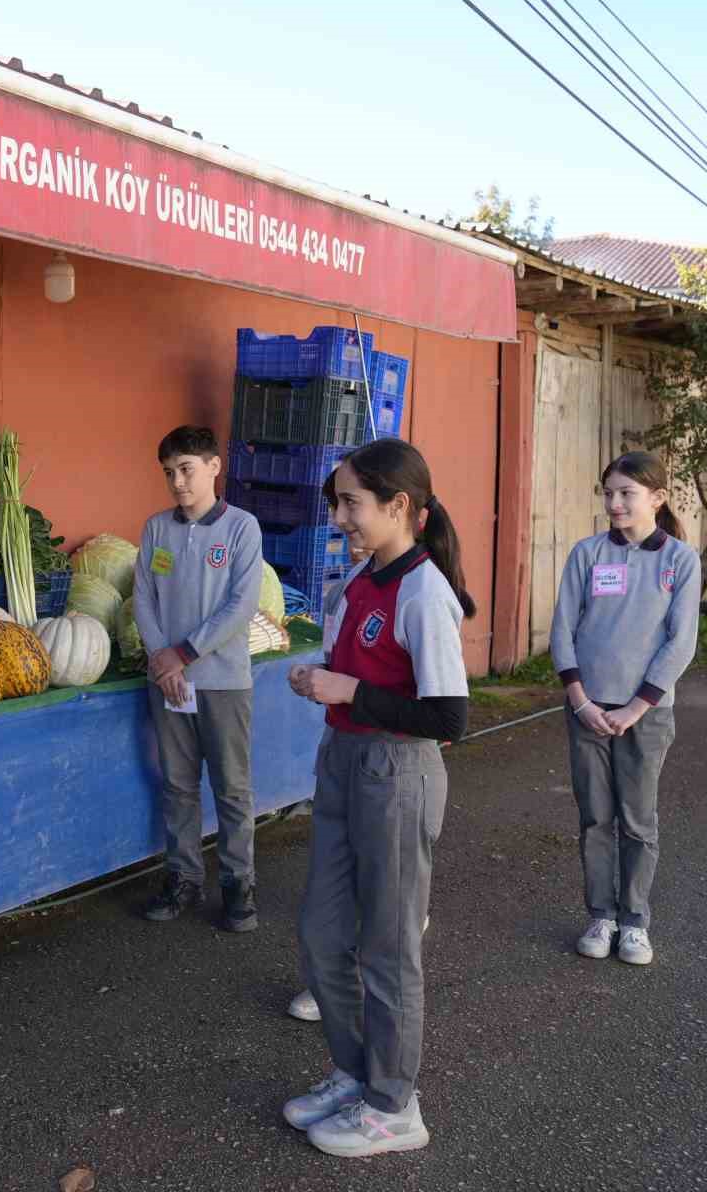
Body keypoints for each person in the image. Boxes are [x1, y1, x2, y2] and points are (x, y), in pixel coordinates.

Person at [281, 438, 472, 1159]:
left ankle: (395, 1106)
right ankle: (356, 1072)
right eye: (337, 501)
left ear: (398, 506)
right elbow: (354, 666)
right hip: (344, 765)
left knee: (389, 952)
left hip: (397, 776)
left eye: (351, 503)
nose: (339, 516)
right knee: (322, 936)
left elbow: (450, 719)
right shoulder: (363, 578)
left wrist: (350, 690)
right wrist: (323, 676)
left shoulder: (425, 591)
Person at [549, 451, 699, 967]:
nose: (614, 503)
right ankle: (602, 916)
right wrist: (581, 701)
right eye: (608, 493)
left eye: (626, 493)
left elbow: (681, 643)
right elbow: (562, 631)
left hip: (646, 715)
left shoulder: (680, 559)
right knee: (595, 818)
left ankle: (635, 922)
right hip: (587, 710)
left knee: (638, 821)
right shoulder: (587, 554)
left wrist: (637, 707)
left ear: (656, 499)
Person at [131, 426, 264, 932]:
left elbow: (242, 605)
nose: (177, 482)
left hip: (223, 683)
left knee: (232, 789)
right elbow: (143, 595)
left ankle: (238, 883)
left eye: (186, 469)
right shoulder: (156, 530)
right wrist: (161, 658)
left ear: (214, 467)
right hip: (168, 685)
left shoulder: (241, 529)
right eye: (169, 472)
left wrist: (182, 653)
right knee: (178, 786)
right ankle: (184, 876)